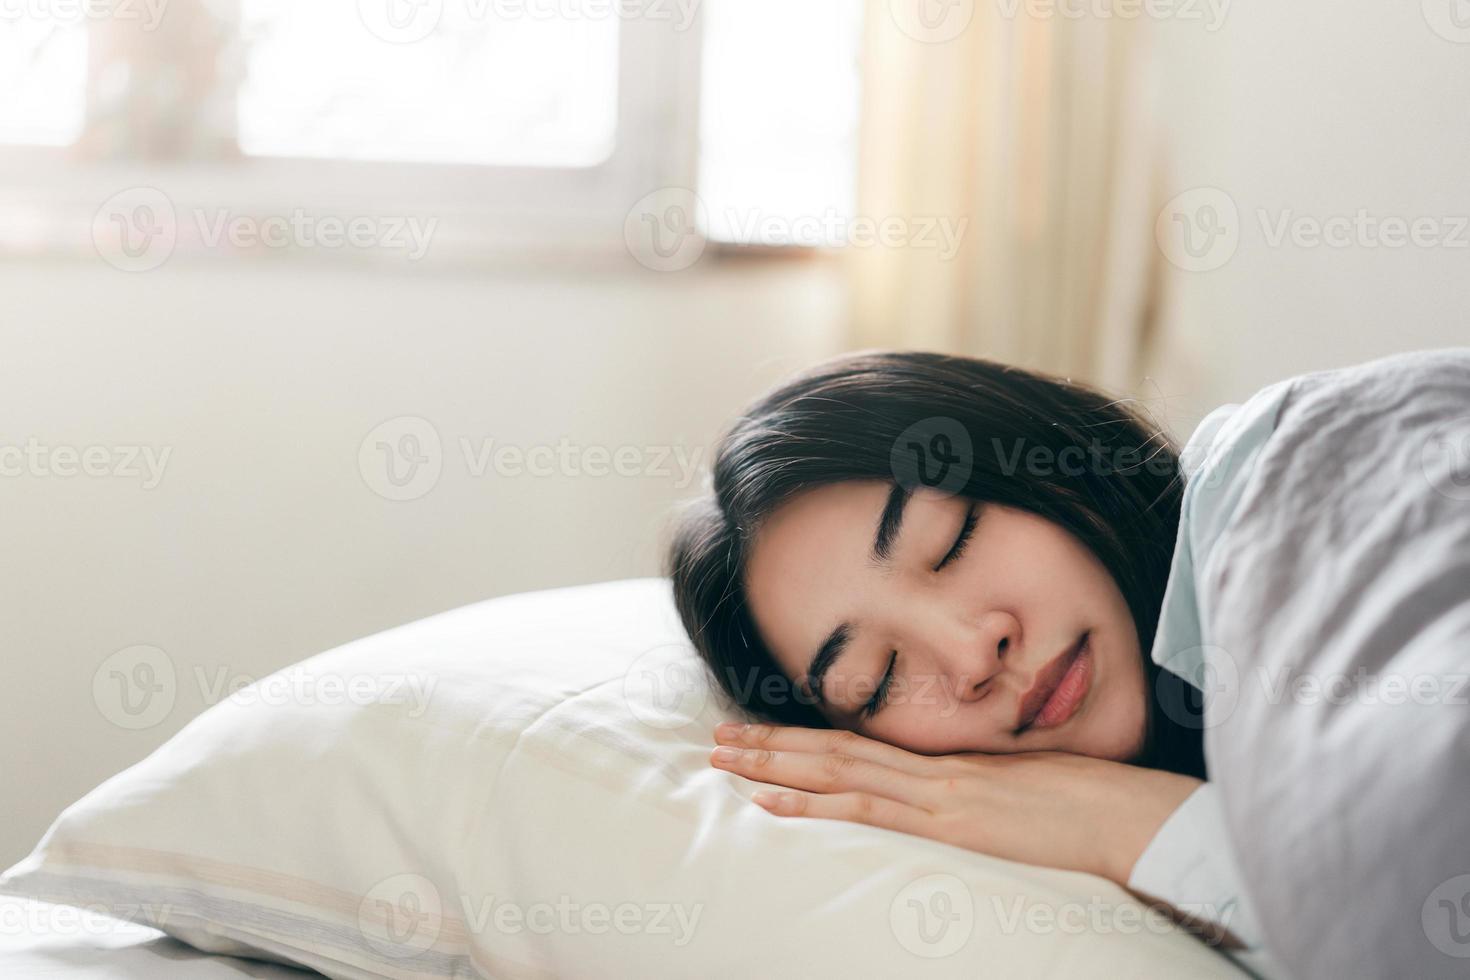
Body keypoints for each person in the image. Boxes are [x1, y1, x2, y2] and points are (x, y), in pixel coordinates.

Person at [666, 350, 1283, 976]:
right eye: (877, 680)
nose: (970, 655)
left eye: (952, 540)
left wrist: (1126, 823)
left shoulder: (1276, 482)